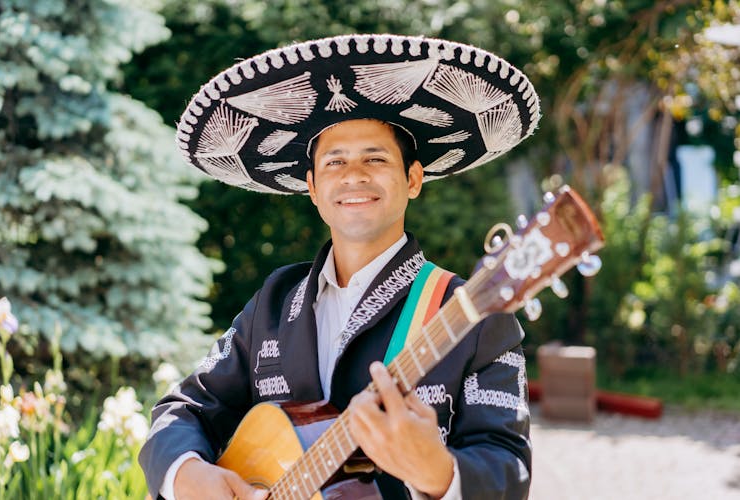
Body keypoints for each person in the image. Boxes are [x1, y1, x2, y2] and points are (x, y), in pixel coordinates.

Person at [139, 34, 540, 500]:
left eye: (376, 158)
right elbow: (184, 408)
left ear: (413, 179)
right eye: (335, 162)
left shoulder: (474, 314)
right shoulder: (275, 300)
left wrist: (440, 474)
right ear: (311, 186)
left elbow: (509, 469)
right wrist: (188, 475)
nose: (354, 175)